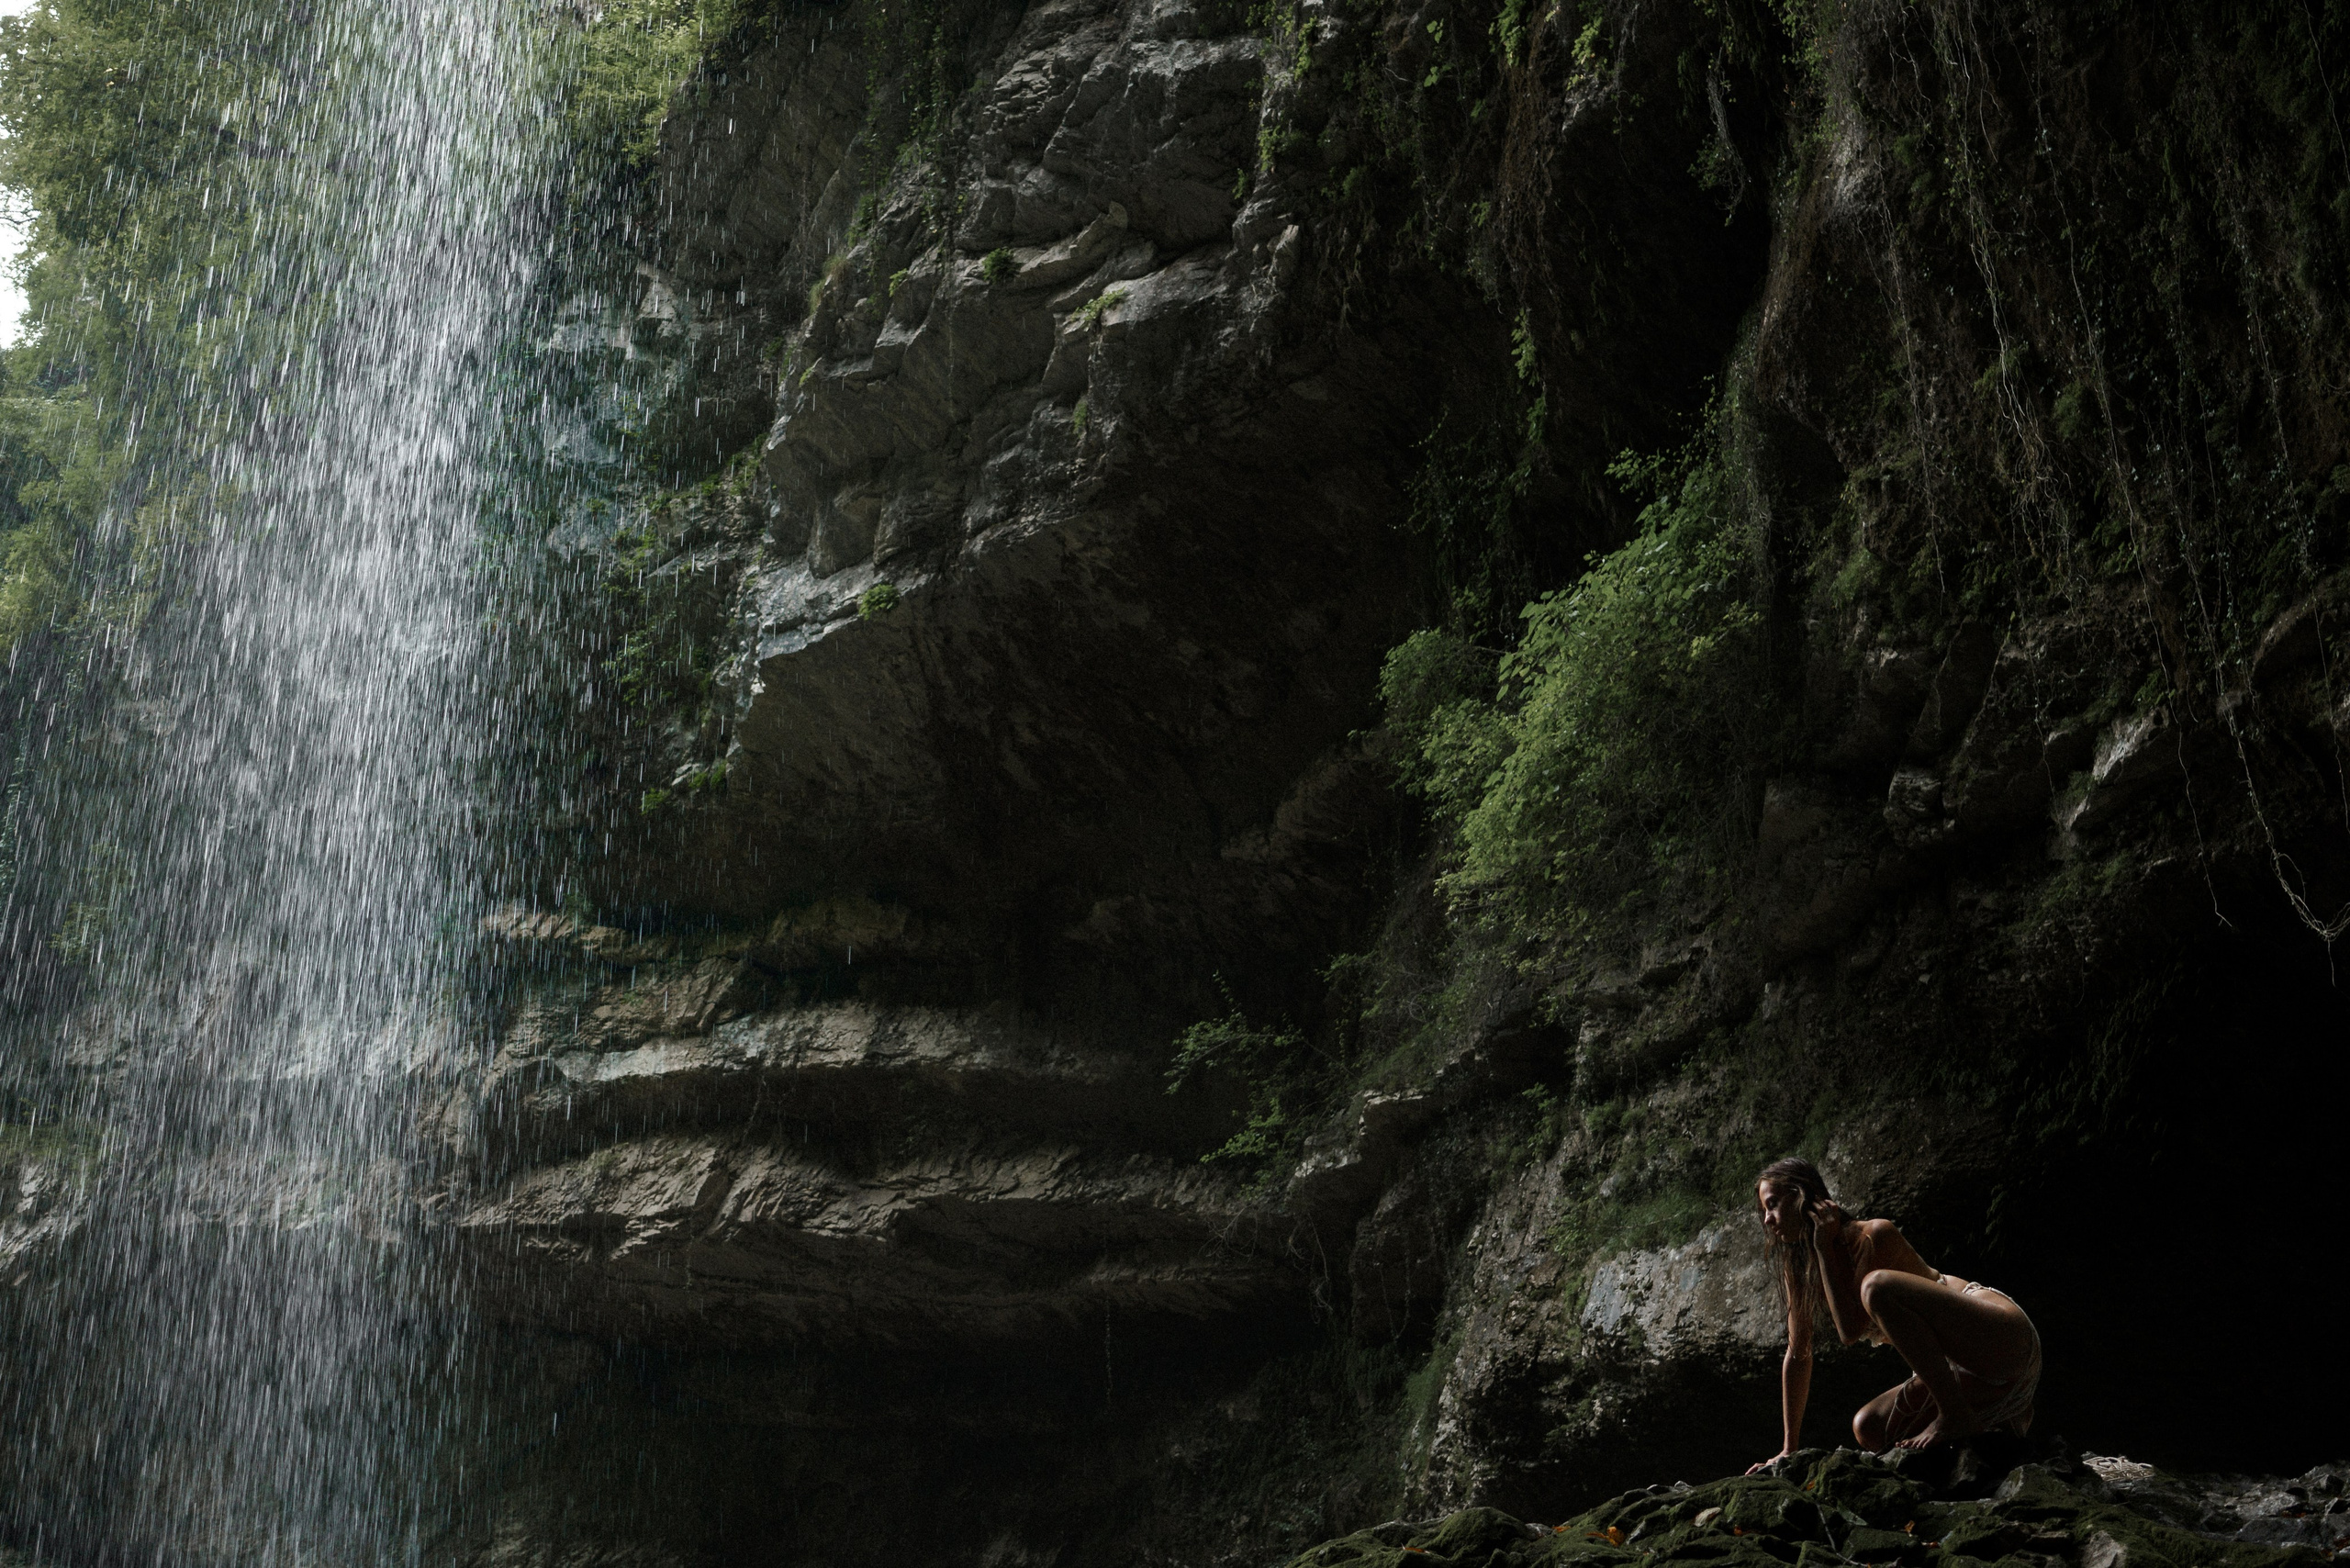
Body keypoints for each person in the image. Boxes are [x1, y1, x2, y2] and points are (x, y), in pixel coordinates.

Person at [1745, 1156, 2040, 1472]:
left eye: (1772, 1204)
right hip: (1959, 1368)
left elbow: (1849, 1331)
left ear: (1801, 1197)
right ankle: (1999, 1414)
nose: (1768, 1219)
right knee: (1867, 1426)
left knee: (1876, 1287)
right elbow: (1798, 1352)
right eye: (1764, 1210)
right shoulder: (1801, 1272)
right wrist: (1789, 1448)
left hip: (2001, 1338)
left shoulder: (1873, 1235)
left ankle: (1955, 1414)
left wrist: (1823, 1249)